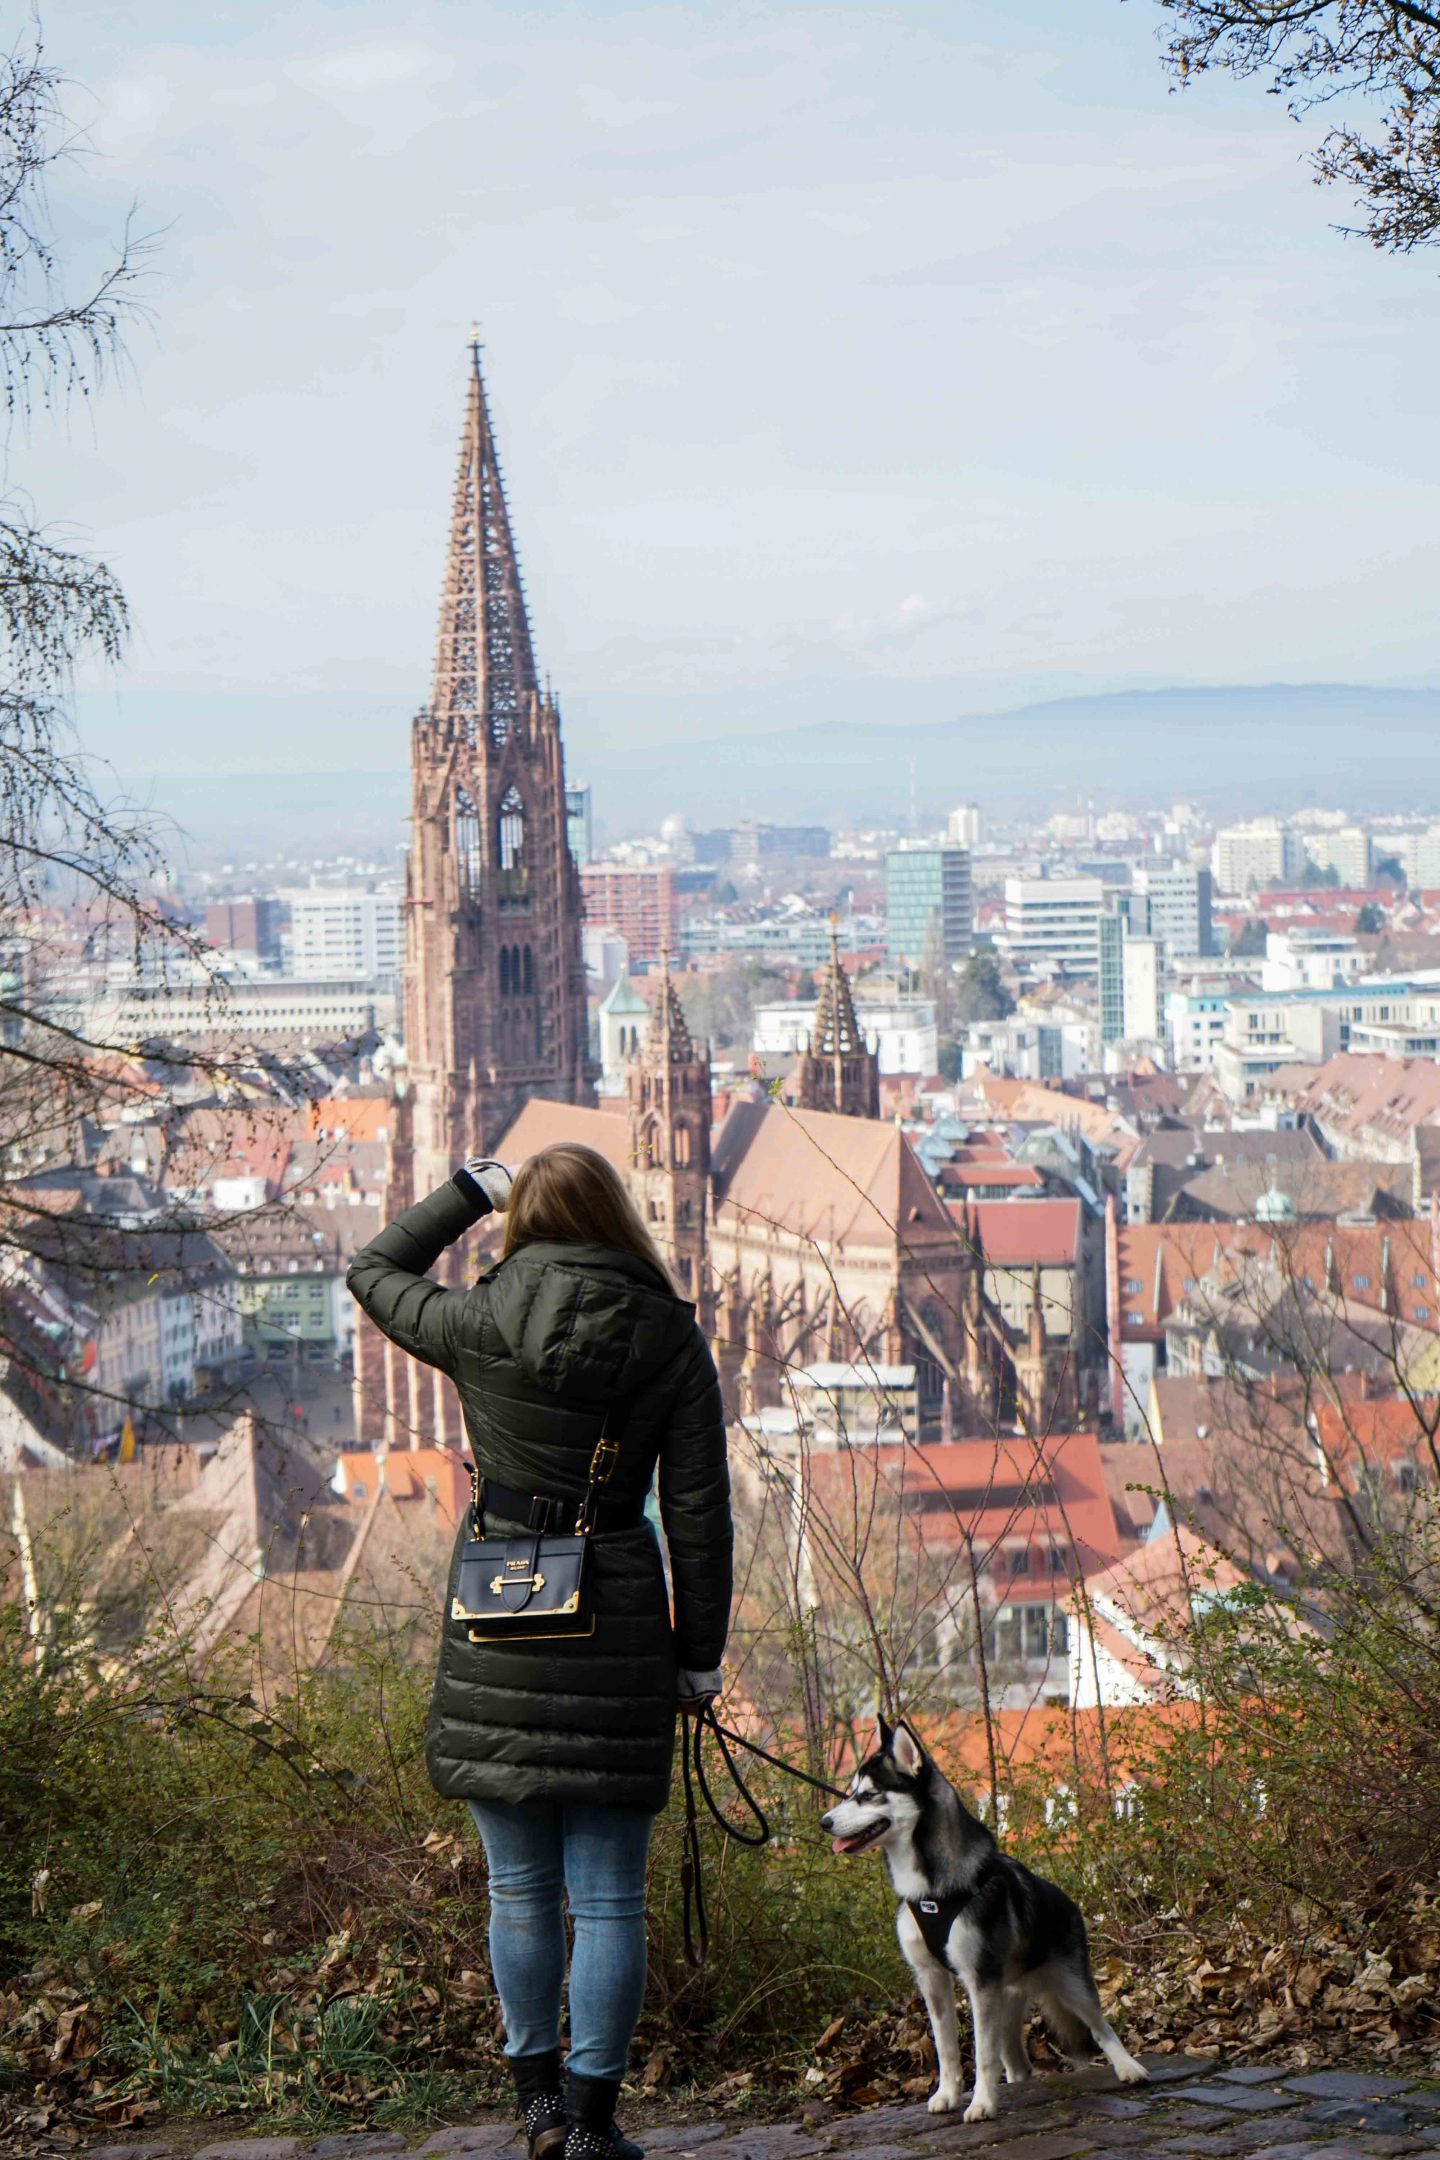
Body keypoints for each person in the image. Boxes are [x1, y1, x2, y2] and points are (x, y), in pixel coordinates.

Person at [347, 1143, 732, 2160]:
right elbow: (698, 1514)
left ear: (522, 1222)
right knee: (609, 1898)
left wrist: (469, 1191)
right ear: (617, 1217)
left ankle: (537, 2115)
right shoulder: (670, 1338)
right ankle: (596, 2121)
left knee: (517, 1890)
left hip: (502, 1610)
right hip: (619, 1616)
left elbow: (373, 1271)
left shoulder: (480, 1320)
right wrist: (700, 1658)